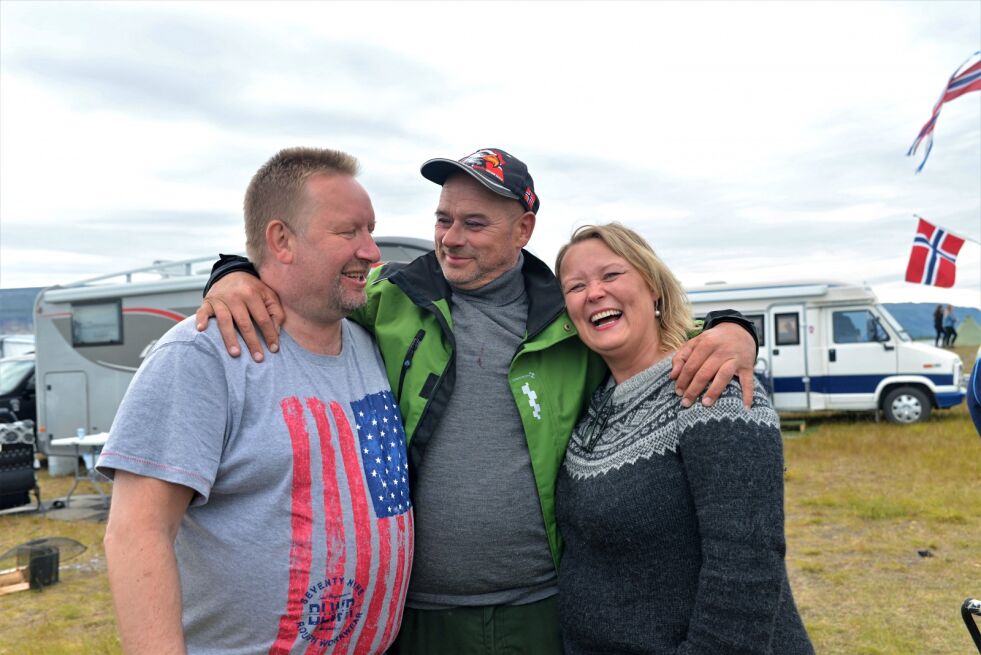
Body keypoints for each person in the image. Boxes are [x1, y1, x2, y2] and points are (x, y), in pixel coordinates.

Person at [196, 148, 759, 654]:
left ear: (523, 229)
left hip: (545, 607)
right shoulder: (391, 297)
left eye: (474, 223)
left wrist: (736, 330)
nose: (451, 237)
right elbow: (309, 285)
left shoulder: (569, 319)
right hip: (414, 615)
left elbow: (667, 337)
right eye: (443, 219)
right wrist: (235, 272)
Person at [99, 147, 413, 654]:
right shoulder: (202, 355)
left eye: (371, 230)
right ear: (281, 240)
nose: (372, 251)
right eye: (349, 232)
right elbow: (137, 534)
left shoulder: (370, 343)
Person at [553, 223, 814, 654]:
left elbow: (747, 566)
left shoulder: (713, 387)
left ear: (653, 286)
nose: (594, 292)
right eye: (576, 286)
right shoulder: (596, 403)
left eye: (611, 275)